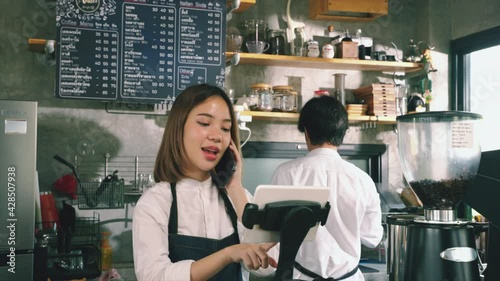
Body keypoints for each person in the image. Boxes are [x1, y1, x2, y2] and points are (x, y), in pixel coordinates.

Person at [132, 84, 275, 281]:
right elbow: (153, 277)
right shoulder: (155, 202)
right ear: (178, 128)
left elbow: (269, 265)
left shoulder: (240, 198)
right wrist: (227, 254)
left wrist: (235, 189)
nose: (216, 136)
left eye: (225, 128)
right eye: (204, 123)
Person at [271, 95, 384, 281]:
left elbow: (273, 232)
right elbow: (372, 238)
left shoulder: (286, 173)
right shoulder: (363, 180)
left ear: (306, 132)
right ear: (343, 133)